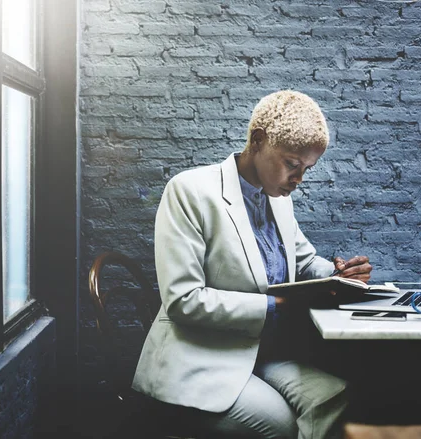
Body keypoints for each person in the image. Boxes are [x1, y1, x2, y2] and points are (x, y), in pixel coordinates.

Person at [131, 90, 373, 438]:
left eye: (307, 169)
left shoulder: (278, 199)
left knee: (337, 398)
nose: (299, 179)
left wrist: (339, 276)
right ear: (258, 140)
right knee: (282, 428)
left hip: (263, 354)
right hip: (201, 360)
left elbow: (304, 261)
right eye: (292, 164)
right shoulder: (189, 191)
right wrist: (277, 305)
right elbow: (184, 300)